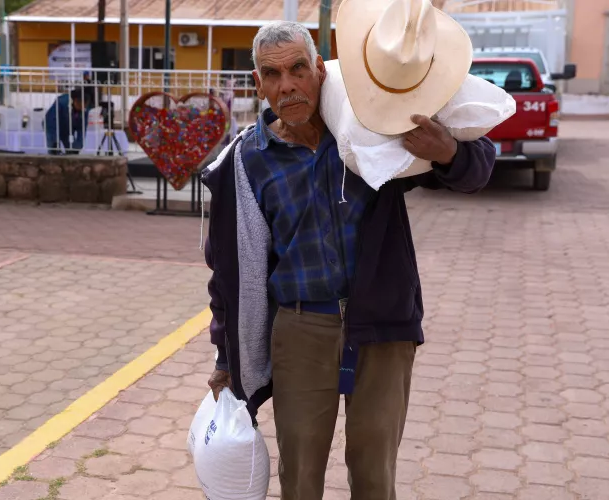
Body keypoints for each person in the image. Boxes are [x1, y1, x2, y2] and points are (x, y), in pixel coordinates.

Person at [202, 7, 495, 500]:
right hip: (300, 328)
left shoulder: (370, 131)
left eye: (298, 68)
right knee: (299, 476)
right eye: (272, 74)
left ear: (320, 69)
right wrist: (225, 354)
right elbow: (227, 270)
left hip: (382, 323)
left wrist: (447, 151)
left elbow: (478, 168)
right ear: (258, 83)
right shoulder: (247, 161)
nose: (287, 85)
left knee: (375, 473)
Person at [45, 88, 85, 155]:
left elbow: (82, 128)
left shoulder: (85, 107)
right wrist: (55, 142)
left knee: (73, 151)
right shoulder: (62, 102)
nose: (82, 107)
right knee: (54, 151)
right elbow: (50, 122)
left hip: (67, 128)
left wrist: (78, 145)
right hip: (52, 125)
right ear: (74, 100)